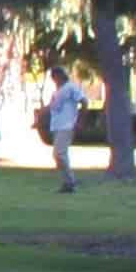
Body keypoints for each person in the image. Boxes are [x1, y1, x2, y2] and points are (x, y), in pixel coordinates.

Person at [46, 65, 86, 193]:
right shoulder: (57, 91)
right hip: (57, 126)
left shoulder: (71, 87)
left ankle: (71, 181)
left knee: (59, 154)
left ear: (60, 75)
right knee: (60, 156)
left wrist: (80, 121)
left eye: (55, 77)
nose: (54, 80)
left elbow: (84, 102)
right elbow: (53, 108)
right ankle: (68, 183)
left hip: (67, 126)